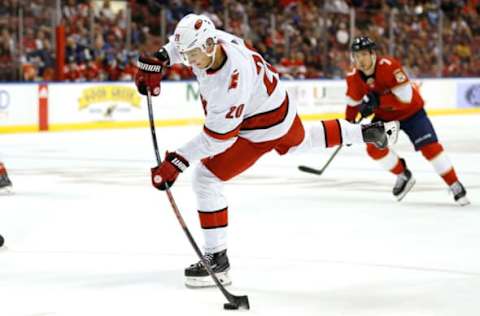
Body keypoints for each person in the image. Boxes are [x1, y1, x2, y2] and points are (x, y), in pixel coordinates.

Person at [134, 14, 400, 288]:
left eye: (193, 55)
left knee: (205, 178)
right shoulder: (216, 43)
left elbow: (219, 139)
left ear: (210, 45)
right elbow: (182, 46)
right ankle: (369, 132)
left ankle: (218, 260)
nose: (189, 62)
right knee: (301, 141)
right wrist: (160, 59)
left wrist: (177, 161)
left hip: (260, 127)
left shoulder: (230, 83)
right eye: (187, 55)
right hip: (280, 105)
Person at [344, 36, 469, 206]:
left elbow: (406, 98)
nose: (360, 59)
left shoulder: (389, 66)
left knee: (430, 149)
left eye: (364, 54)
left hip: (411, 113)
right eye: (356, 56)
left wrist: (378, 101)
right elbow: (352, 104)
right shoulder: (353, 77)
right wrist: (348, 126)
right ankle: (403, 174)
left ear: (373, 54)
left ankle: (454, 184)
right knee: (373, 148)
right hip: (386, 118)